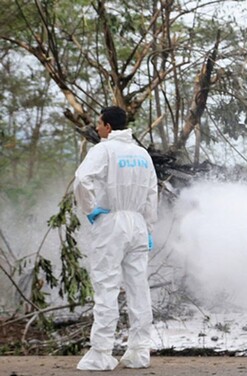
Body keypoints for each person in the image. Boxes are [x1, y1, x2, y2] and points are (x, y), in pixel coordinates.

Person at [74, 106, 158, 371]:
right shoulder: (142, 154)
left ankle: (100, 352)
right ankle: (139, 351)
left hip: (111, 221)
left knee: (106, 286)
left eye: (99, 124)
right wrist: (149, 226)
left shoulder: (104, 150)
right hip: (137, 223)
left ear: (108, 126)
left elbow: (81, 179)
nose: (97, 129)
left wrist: (90, 209)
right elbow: (151, 192)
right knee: (138, 287)